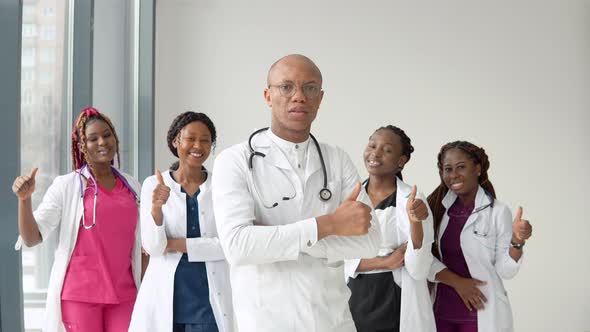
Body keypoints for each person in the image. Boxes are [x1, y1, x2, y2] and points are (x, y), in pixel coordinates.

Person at [212, 54, 381, 331]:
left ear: (320, 98)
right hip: (267, 321)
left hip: (332, 320)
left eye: (310, 88)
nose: (299, 96)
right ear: (268, 95)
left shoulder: (336, 160)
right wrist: (330, 225)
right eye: (286, 87)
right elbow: (238, 246)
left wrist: (279, 240)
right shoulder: (235, 160)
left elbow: (371, 241)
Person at [13, 107, 141, 332]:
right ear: (82, 146)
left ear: (115, 138)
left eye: (107, 134)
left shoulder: (132, 186)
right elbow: (32, 238)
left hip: (125, 292)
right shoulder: (67, 185)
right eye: (93, 138)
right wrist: (25, 200)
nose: (102, 141)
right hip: (80, 294)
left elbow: (143, 243)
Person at [129, 112, 233, 332]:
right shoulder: (153, 185)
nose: (198, 145)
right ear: (176, 141)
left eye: (205, 140)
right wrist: (156, 208)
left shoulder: (223, 186)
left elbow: (229, 244)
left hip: (208, 299)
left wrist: (175, 244)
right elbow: (153, 247)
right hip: (167, 297)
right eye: (191, 138)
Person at [427, 141, 533, 332]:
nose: (454, 175)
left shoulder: (498, 212)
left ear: (477, 168)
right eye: (448, 169)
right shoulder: (437, 209)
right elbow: (425, 258)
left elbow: (505, 270)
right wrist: (458, 283)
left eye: (461, 167)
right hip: (441, 312)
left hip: (481, 312)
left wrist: (517, 241)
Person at [345, 125, 436, 332]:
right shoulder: (350, 196)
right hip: (354, 295)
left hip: (394, 299)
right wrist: (385, 261)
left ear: (401, 161)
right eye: (372, 145)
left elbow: (418, 268)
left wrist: (415, 223)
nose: (375, 153)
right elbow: (333, 257)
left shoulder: (413, 201)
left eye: (387, 150)